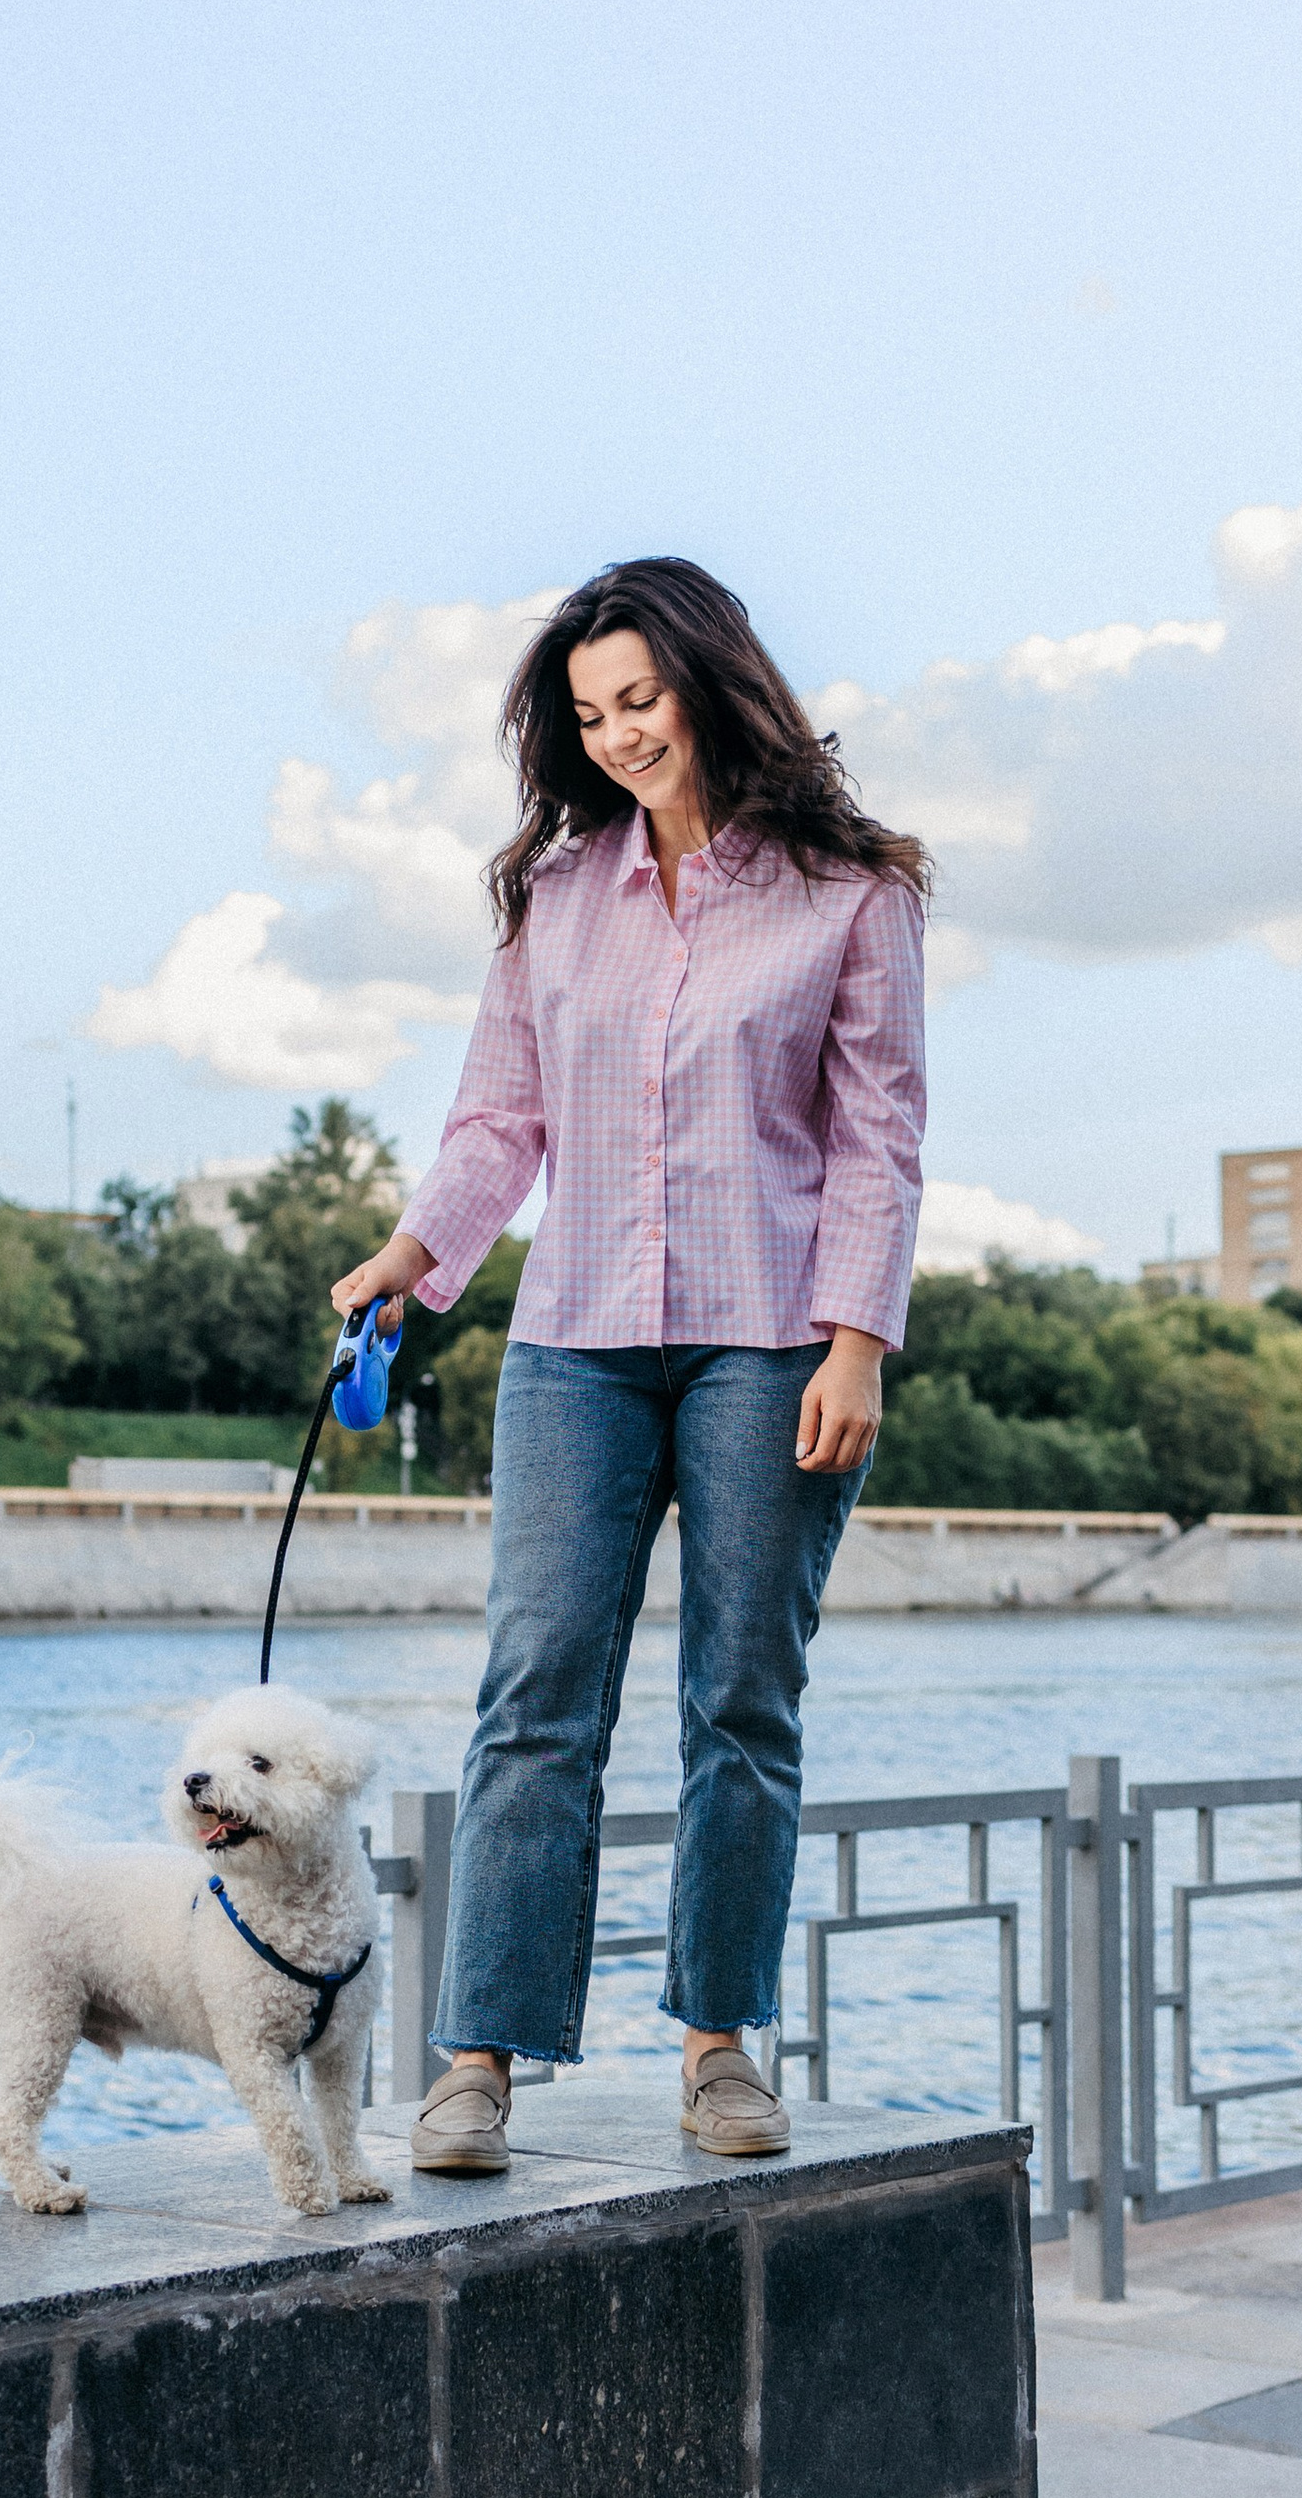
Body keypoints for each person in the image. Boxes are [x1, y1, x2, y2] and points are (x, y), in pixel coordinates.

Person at [330, 557, 928, 2173]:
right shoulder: (553, 900)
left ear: (712, 685)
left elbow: (879, 1136)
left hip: (774, 1340)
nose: (617, 736)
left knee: (742, 1699)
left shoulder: (849, 896)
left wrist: (858, 1339)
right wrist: (415, 1254)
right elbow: (500, 1118)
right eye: (589, 715)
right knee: (534, 1699)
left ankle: (718, 2048)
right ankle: (476, 2064)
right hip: (575, 1343)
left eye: (640, 701)